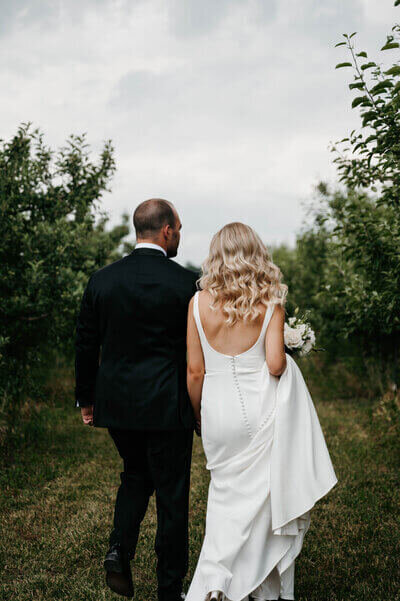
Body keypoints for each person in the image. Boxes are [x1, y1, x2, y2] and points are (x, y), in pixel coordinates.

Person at [185, 222, 337, 601]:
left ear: (216, 255)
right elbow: (274, 365)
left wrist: (199, 415)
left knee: (224, 498)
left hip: (217, 410)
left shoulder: (197, 303)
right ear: (257, 253)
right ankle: (262, 588)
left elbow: (195, 372)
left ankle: (217, 581)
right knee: (262, 504)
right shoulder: (269, 300)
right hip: (260, 409)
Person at [75, 198, 198, 601]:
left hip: (119, 407)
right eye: (177, 229)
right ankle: (168, 589)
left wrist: (86, 399)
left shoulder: (102, 280)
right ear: (166, 231)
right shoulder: (186, 284)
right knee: (172, 494)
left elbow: (86, 344)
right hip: (167, 406)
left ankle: (119, 550)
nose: (179, 235)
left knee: (135, 475)